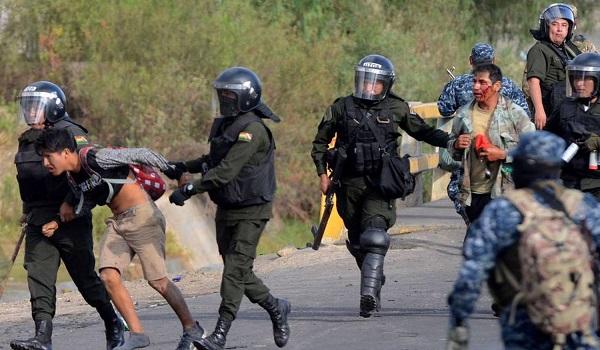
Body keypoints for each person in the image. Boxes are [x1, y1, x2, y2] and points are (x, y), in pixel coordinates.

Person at [34, 128, 204, 350]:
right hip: (119, 222)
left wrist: (177, 171)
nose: (45, 162)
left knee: (158, 281)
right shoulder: (74, 178)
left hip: (143, 217)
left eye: (49, 155)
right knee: (108, 276)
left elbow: (142, 153)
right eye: (43, 157)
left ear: (66, 152)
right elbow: (88, 203)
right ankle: (137, 334)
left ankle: (192, 328)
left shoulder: (95, 157)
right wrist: (59, 220)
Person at [311, 54, 450, 317]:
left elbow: (424, 132)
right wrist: (322, 174)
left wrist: (453, 141)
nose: (369, 87)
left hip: (380, 183)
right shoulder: (341, 107)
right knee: (357, 240)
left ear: (386, 85)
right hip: (348, 184)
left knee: (374, 235)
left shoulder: (396, 108)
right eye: (365, 81)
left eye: (375, 83)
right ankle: (374, 278)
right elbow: (319, 143)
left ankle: (368, 296)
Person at [165, 67, 290, 350]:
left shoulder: (254, 130)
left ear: (244, 98)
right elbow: (213, 159)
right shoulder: (227, 125)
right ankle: (276, 307)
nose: (223, 101)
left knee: (234, 271)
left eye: (228, 96)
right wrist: (183, 166)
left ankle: (220, 334)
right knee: (239, 270)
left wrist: (189, 189)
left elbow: (226, 171)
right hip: (228, 207)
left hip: (252, 209)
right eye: (221, 95)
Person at [446, 131, 600, 350]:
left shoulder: (503, 210)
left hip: (524, 326)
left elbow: (472, 271)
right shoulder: (584, 206)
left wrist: (459, 321)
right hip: (576, 320)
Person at [10, 81, 124, 350]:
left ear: (52, 107)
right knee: (38, 277)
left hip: (70, 216)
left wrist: (69, 207)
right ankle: (42, 337)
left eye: (35, 106)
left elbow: (85, 174)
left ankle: (113, 322)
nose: (29, 111)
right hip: (39, 218)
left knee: (85, 280)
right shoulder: (27, 139)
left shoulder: (72, 133)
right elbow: (26, 179)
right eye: (26, 106)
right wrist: (27, 212)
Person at [448, 64, 535, 225]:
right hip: (472, 194)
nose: (476, 87)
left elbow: (534, 151)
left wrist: (503, 154)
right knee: (475, 245)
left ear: (496, 86)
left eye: (482, 82)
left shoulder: (515, 113)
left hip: (505, 193)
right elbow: (451, 148)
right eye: (474, 82)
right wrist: (456, 145)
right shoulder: (463, 114)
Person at [546, 52, 600, 200]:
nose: (579, 84)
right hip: (568, 183)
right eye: (576, 78)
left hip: (596, 184)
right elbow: (548, 136)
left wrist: (596, 142)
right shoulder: (565, 106)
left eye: (585, 79)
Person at [525, 3, 581, 129]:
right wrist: (539, 111)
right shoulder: (539, 49)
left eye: (564, 25)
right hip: (550, 112)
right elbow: (533, 81)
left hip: (569, 112)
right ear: (546, 26)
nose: (559, 29)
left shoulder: (570, 50)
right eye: (555, 24)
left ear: (569, 29)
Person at [437, 42, 530, 117]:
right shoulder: (508, 84)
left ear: (471, 60)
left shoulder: (457, 84)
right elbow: (524, 114)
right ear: (493, 61)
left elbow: (444, 110)